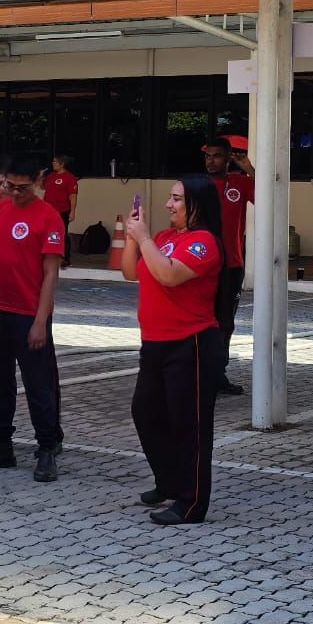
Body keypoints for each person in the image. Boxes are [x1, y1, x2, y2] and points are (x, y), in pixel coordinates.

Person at [121, 174, 225, 525]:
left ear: (198, 204)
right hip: (155, 343)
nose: (169, 205)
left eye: (177, 199)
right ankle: (168, 481)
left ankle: (191, 502)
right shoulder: (165, 238)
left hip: (190, 342)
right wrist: (134, 237)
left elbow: (169, 275)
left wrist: (144, 238)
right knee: (146, 412)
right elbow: (130, 273)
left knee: (189, 425)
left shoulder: (203, 242)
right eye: (170, 198)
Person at [0, 156, 65, 482]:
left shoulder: (49, 217)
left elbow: (50, 273)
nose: (14, 192)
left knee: (38, 384)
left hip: (28, 314)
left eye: (22, 188)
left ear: (38, 180)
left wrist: (41, 320)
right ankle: (0, 445)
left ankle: (47, 447)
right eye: (9, 186)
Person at [201, 136, 254, 397]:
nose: (211, 161)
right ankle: (197, 374)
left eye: (217, 156)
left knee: (224, 322)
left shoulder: (241, 183)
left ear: (229, 158)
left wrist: (250, 170)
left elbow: (269, 199)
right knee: (200, 320)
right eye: (208, 156)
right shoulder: (197, 187)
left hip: (231, 266)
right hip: (200, 266)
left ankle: (217, 375)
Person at [43, 155, 79, 268]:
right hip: (49, 211)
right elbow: (43, 187)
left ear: (62, 164)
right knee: (47, 234)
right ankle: (49, 256)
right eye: (53, 161)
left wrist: (72, 211)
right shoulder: (51, 176)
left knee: (62, 234)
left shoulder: (69, 178)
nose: (53, 163)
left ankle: (65, 259)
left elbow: (73, 196)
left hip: (62, 210)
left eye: (55, 162)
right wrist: (40, 176)